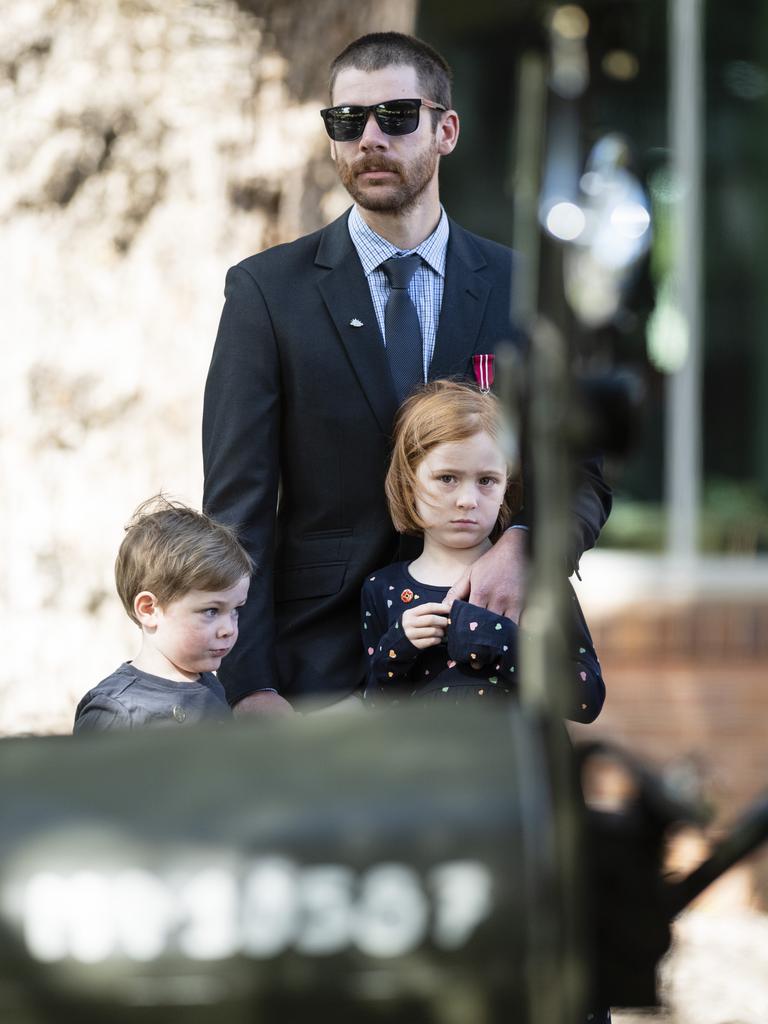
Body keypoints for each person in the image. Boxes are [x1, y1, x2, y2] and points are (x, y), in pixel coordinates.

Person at [202, 31, 611, 715]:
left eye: (395, 116)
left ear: (445, 129)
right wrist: (249, 683)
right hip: (317, 668)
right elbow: (237, 512)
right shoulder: (265, 294)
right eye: (347, 120)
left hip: (486, 660)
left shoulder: (525, 289)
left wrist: (527, 545)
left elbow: (584, 473)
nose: (369, 138)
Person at [361, 380, 605, 719]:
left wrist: (504, 641)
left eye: (487, 481)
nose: (467, 501)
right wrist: (397, 647)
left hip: (517, 766)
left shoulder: (535, 579)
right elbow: (377, 714)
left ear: (507, 484)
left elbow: (586, 697)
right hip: (426, 769)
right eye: (447, 478)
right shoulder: (382, 589)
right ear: (408, 482)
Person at [73, 496, 252, 732]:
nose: (228, 628)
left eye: (235, 610)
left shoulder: (211, 685)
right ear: (149, 609)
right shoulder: (117, 712)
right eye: (211, 611)